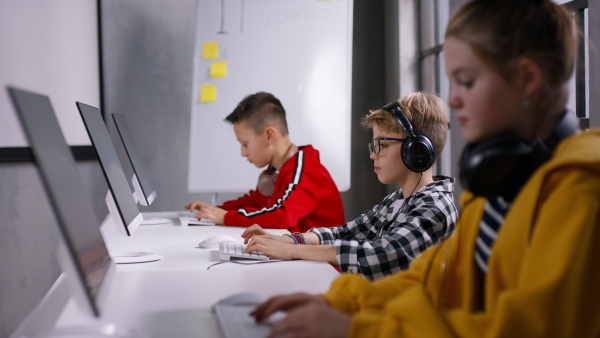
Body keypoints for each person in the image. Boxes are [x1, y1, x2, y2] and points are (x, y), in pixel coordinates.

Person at [248, 1, 600, 337]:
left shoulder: (580, 191)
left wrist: (358, 329)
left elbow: (518, 330)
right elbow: (435, 283)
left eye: (466, 81)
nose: (455, 98)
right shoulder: (500, 184)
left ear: (526, 78)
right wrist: (339, 302)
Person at [242, 92, 458, 280]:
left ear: (416, 150)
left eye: (381, 145)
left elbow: (386, 253)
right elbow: (349, 232)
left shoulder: (436, 206)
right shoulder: (398, 199)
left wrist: (294, 251)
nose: (373, 154)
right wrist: (291, 240)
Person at [185, 92, 344, 232]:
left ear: (270, 136)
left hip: (322, 264)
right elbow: (256, 202)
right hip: (295, 253)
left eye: (245, 144)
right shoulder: (277, 169)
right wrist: (215, 210)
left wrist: (226, 217)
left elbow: (283, 215)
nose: (243, 153)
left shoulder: (304, 168)